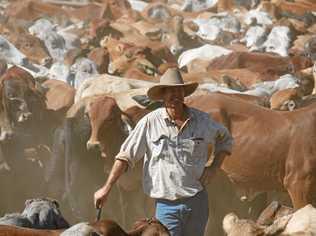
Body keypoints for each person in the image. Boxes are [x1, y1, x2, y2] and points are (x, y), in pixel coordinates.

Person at [94, 68, 233, 236]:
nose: (175, 95)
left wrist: (214, 167)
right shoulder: (150, 122)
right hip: (166, 206)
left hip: (197, 201)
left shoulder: (202, 121)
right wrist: (106, 188)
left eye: (178, 90)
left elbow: (225, 139)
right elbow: (125, 156)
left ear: (184, 93)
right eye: (169, 91)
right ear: (162, 95)